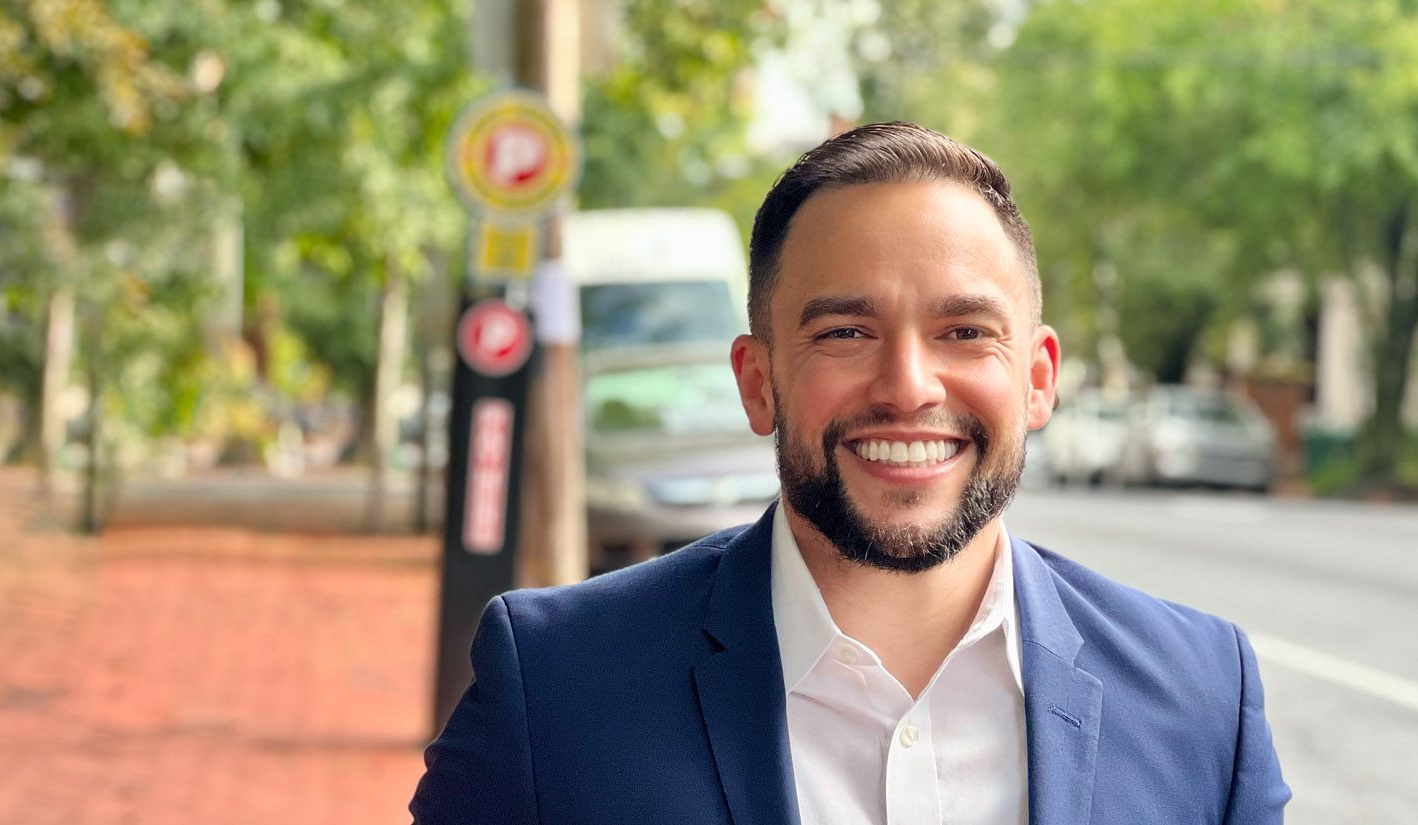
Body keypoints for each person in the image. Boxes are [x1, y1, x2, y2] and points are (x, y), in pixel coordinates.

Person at [410, 122, 1290, 824]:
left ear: (1037, 378)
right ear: (758, 383)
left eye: (965, 331)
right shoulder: (556, 684)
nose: (908, 385)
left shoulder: (1203, 693)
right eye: (844, 332)